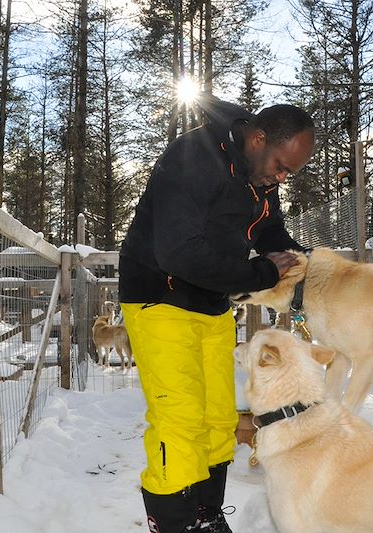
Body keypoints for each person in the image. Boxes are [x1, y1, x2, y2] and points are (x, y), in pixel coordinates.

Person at [118, 96, 315, 533]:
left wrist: (298, 255)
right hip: (160, 295)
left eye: (289, 173)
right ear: (258, 137)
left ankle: (206, 518)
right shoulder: (194, 157)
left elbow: (268, 227)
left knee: (219, 417)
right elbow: (177, 252)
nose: (282, 178)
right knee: (180, 418)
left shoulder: (259, 173)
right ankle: (174, 524)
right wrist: (262, 271)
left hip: (210, 301)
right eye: (281, 166)